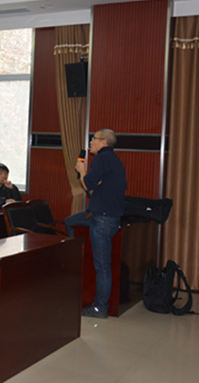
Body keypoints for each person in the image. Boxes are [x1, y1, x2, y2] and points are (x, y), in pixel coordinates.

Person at [65, 129, 127, 319]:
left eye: (94, 139)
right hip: (100, 215)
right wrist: (89, 180)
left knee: (102, 266)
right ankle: (76, 257)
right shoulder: (113, 160)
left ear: (104, 142)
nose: (91, 142)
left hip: (103, 218)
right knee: (70, 222)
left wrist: (82, 171)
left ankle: (100, 307)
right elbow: (94, 190)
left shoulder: (102, 158)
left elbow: (88, 184)